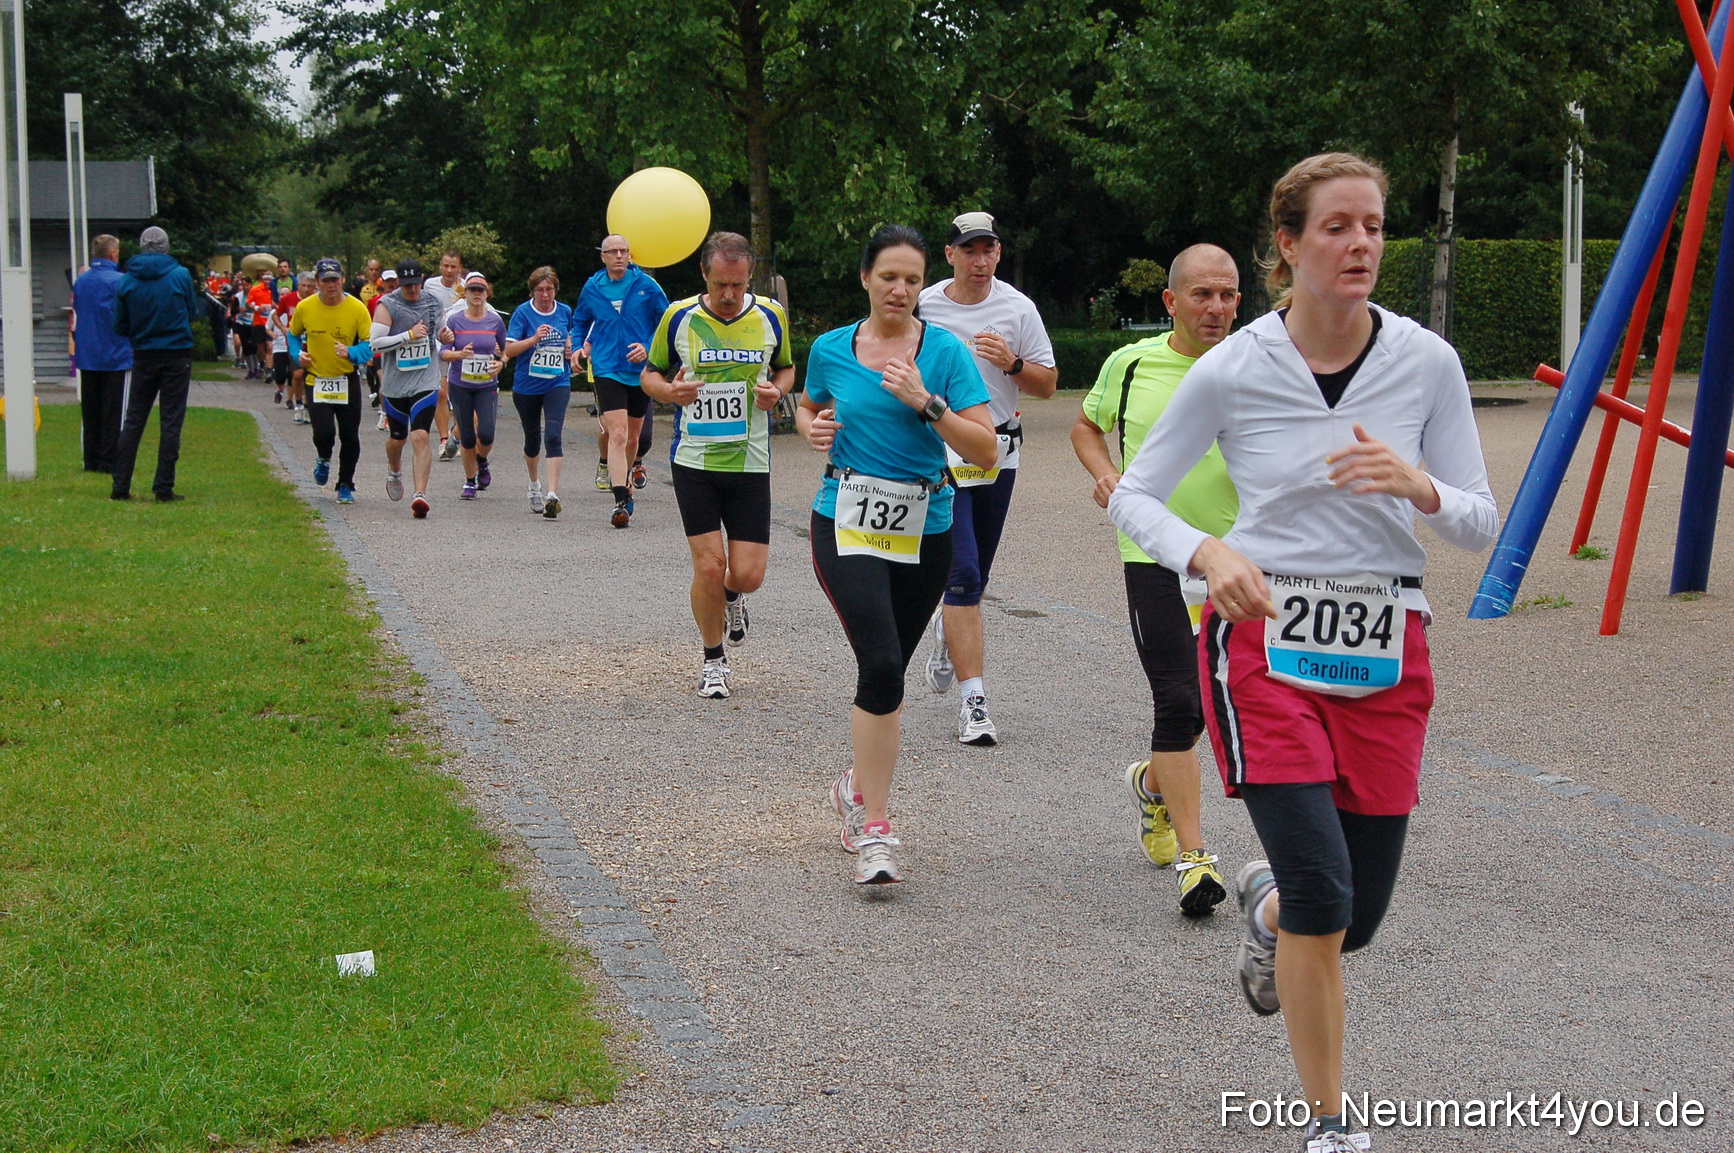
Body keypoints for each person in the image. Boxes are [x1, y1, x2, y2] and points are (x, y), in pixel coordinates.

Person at [1109, 154, 1499, 1152]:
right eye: (1337, 227)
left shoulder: (1426, 362)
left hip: (1386, 649)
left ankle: (1266, 904)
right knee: (1329, 895)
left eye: (1373, 225)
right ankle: (1332, 1125)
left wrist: (1419, 487)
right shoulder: (1237, 366)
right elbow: (1134, 493)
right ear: (1286, 246)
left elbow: (1479, 522)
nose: (1361, 243)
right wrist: (1206, 552)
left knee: (1345, 920)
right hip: (1264, 649)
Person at [796, 224, 995, 885]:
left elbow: (984, 450)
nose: (901, 289)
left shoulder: (945, 354)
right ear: (865, 279)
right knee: (880, 662)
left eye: (912, 279)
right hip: (845, 519)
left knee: (888, 678)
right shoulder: (831, 347)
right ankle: (875, 827)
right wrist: (812, 426)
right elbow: (809, 405)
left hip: (924, 525)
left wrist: (926, 402)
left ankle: (857, 779)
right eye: (889, 277)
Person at [1071, 243, 1242, 917]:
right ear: (1171, 301)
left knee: (1225, 697)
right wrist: (1104, 473)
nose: (1218, 308)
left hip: (1237, 557)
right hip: (1155, 556)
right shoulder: (1131, 361)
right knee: (1180, 699)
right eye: (1203, 295)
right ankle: (1197, 859)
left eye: (1228, 295)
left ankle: (1153, 782)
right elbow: (1087, 426)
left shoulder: (1254, 364)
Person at [916, 211, 1058, 746]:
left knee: (975, 580)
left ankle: (948, 627)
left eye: (989, 250)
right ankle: (975, 705)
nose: (980, 261)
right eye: (969, 250)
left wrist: (1014, 363)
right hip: (942, 449)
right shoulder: (925, 304)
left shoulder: (1019, 308)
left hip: (997, 450)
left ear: (998, 253)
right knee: (965, 576)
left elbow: (1047, 385)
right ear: (950, 254)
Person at [641, 232, 794, 697]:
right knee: (709, 566)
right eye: (721, 284)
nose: (729, 295)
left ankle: (732, 597)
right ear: (705, 274)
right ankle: (713, 660)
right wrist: (668, 392)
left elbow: (786, 368)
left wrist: (778, 391)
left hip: (750, 462)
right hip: (695, 461)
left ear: (750, 277)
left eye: (739, 284)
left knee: (747, 574)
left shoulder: (771, 315)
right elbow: (649, 373)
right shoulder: (678, 316)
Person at [109, 226, 203, 502]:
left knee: (135, 418)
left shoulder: (127, 280)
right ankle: (163, 486)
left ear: (141, 246)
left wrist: (141, 332)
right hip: (176, 353)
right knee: (171, 421)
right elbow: (193, 312)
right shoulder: (180, 275)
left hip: (144, 353)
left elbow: (119, 324)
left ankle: (120, 485)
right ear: (166, 246)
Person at [575, 234, 669, 504]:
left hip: (639, 370)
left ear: (629, 255)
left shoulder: (646, 285)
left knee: (633, 438)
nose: (618, 256)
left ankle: (625, 480)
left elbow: (666, 323)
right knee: (617, 432)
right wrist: (579, 346)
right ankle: (619, 497)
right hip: (606, 367)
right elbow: (580, 320)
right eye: (612, 251)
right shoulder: (593, 287)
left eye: (623, 251)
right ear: (602, 256)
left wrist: (648, 347)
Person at [289, 258, 376, 504]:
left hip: (346, 379)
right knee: (324, 433)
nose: (330, 285)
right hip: (317, 380)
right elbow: (293, 335)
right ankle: (324, 457)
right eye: (325, 281)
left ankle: (345, 483)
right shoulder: (305, 307)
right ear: (316, 282)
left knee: (350, 436)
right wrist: (298, 355)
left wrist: (351, 352)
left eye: (334, 280)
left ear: (343, 280)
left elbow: (369, 346)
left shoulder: (356, 308)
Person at [371, 259, 447, 518]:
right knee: (398, 439)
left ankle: (420, 495)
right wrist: (407, 335)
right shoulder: (388, 304)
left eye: (415, 285)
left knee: (421, 436)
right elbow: (376, 344)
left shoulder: (433, 302)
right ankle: (394, 470)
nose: (412, 290)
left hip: (425, 381)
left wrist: (446, 337)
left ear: (422, 280)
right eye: (407, 286)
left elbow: (440, 332)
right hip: (395, 385)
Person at [503, 266, 580, 518]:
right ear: (532, 291)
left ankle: (552, 494)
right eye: (540, 290)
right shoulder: (523, 314)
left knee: (554, 435)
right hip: (527, 385)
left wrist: (570, 348)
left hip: (557, 382)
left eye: (549, 289)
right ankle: (534, 485)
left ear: (555, 289)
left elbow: (571, 335)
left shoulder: (565, 311)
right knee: (532, 440)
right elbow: (509, 350)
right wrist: (534, 339)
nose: (545, 295)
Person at [438, 272, 507, 500]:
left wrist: (501, 363)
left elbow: (505, 350)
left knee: (486, 434)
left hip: (486, 385)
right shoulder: (455, 320)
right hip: (460, 385)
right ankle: (469, 481)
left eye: (481, 290)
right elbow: (443, 353)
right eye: (472, 290)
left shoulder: (495, 321)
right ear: (465, 294)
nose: (477, 295)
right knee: (467, 437)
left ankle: (482, 461)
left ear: (487, 294)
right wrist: (460, 353)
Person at [71, 234, 131, 474]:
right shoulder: (121, 281)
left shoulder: (81, 282)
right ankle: (109, 460)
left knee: (91, 409)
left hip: (88, 353)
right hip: (116, 354)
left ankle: (91, 459)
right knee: (114, 411)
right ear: (113, 254)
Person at [423, 249, 465, 460]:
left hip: (459, 346)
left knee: (458, 395)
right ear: (440, 266)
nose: (449, 270)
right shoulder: (430, 285)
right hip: (437, 345)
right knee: (441, 393)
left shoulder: (465, 287)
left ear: (459, 268)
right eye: (445, 266)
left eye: (453, 266)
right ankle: (442, 439)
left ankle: (455, 436)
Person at [267, 271, 302, 407]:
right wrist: (276, 332)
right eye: (281, 294)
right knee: (281, 373)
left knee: (293, 373)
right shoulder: (273, 313)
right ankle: (279, 388)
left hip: (292, 344)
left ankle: (290, 399)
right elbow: (268, 327)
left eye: (286, 294)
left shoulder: (297, 307)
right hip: (279, 346)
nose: (284, 297)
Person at [244, 272, 274, 380]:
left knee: (270, 346)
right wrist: (257, 308)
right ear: (262, 279)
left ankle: (269, 369)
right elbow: (248, 303)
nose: (267, 282)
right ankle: (263, 363)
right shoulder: (256, 289)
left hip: (271, 323)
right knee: (260, 348)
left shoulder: (274, 290)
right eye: (265, 279)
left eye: (269, 279)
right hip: (259, 323)